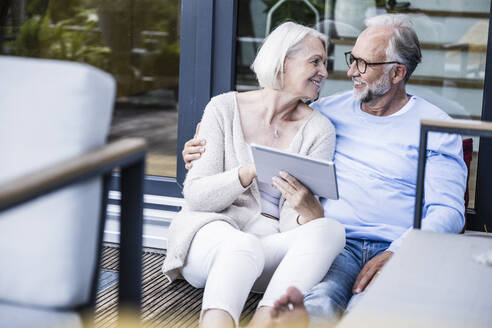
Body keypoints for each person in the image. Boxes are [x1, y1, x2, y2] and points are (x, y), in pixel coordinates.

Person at [182, 14, 467, 327]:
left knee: (372, 314)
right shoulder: (327, 113)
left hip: (394, 246)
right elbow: (275, 126)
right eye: (352, 59)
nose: (351, 71)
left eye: (364, 64)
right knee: (315, 307)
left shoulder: (436, 127)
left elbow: (448, 211)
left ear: (397, 72)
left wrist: (399, 253)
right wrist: (202, 146)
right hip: (334, 245)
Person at [162, 21, 346, 328]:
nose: (324, 73)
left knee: (331, 230)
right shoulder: (223, 109)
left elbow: (293, 222)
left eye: (324, 64)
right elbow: (197, 195)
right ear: (283, 61)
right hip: (211, 236)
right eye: (315, 62)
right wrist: (247, 172)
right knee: (240, 245)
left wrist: (306, 211)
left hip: (268, 247)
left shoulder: (319, 129)